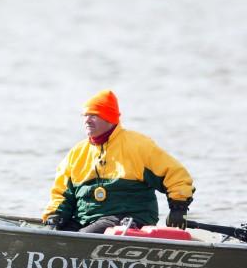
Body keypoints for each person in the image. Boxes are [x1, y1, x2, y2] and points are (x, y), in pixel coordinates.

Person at [42, 90, 194, 234]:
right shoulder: (77, 152)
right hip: (86, 221)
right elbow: (61, 193)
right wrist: (54, 217)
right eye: (85, 115)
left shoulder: (138, 145)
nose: (87, 120)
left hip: (126, 219)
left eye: (94, 115)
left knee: (81, 236)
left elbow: (176, 175)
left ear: (109, 118)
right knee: (54, 233)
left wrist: (178, 209)